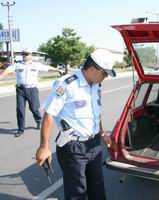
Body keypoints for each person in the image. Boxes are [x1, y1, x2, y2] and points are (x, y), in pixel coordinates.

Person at [35, 49, 115, 200]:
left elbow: (95, 114)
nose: (105, 77)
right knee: (77, 193)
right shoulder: (67, 84)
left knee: (97, 189)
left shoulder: (95, 86)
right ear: (92, 69)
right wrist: (44, 147)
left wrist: (102, 133)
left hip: (94, 145)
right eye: (104, 73)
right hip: (73, 147)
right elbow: (49, 114)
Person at [0, 48, 62, 137]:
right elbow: (8, 70)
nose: (24, 55)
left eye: (26, 54)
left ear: (30, 55)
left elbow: (47, 68)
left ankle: (38, 120)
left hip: (32, 89)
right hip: (20, 89)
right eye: (23, 54)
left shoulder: (36, 65)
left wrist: (58, 70)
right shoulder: (17, 65)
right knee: (20, 110)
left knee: (34, 108)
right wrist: (1, 76)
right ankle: (20, 129)